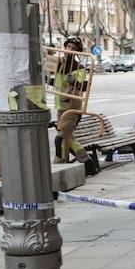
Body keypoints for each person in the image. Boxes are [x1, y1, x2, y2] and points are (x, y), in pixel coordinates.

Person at [51, 37, 94, 170]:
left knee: (61, 139)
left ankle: (59, 165)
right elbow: (52, 81)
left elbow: (81, 86)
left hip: (72, 109)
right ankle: (88, 164)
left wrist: (71, 80)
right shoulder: (59, 63)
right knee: (68, 139)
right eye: (68, 47)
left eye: (73, 49)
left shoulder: (78, 67)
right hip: (61, 106)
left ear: (78, 53)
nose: (69, 50)